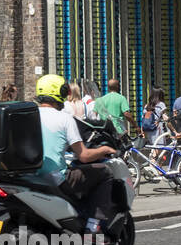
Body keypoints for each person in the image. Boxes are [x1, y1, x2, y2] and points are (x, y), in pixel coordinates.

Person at [30, 75, 120, 235]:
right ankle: (93, 226)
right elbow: (84, 155)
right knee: (104, 172)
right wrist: (105, 150)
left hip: (31, 177)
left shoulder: (29, 116)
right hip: (55, 179)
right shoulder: (64, 118)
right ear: (60, 92)